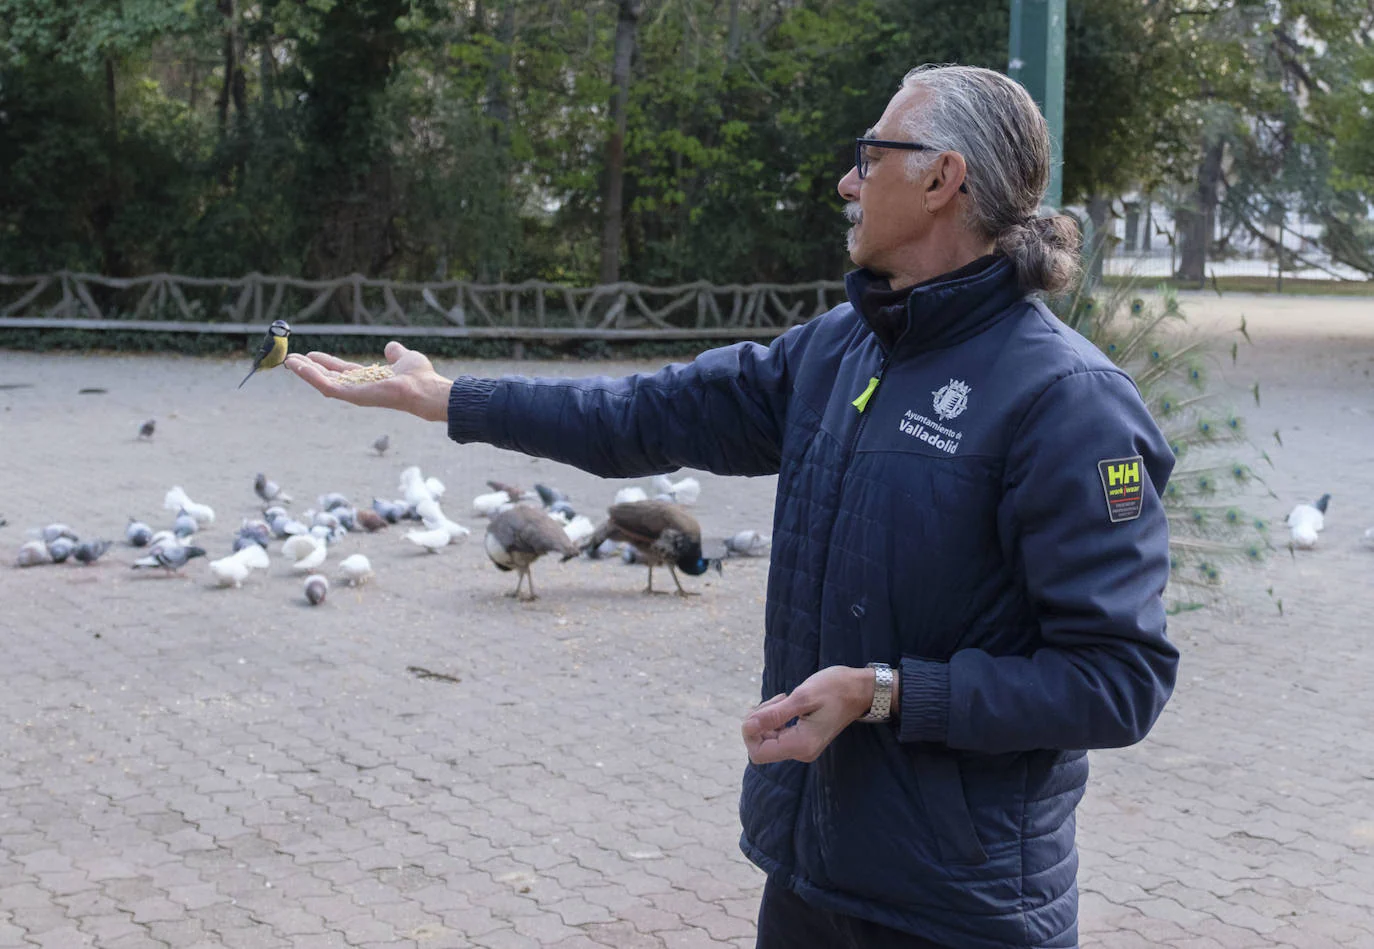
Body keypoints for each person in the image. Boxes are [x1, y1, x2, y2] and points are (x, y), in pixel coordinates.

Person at [287, 63, 1178, 949]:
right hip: (809, 879)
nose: (847, 180)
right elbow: (638, 414)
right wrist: (448, 398)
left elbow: (1118, 679)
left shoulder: (1069, 403)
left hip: (962, 912)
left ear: (944, 179)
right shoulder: (839, 352)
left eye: (870, 156)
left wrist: (890, 694)